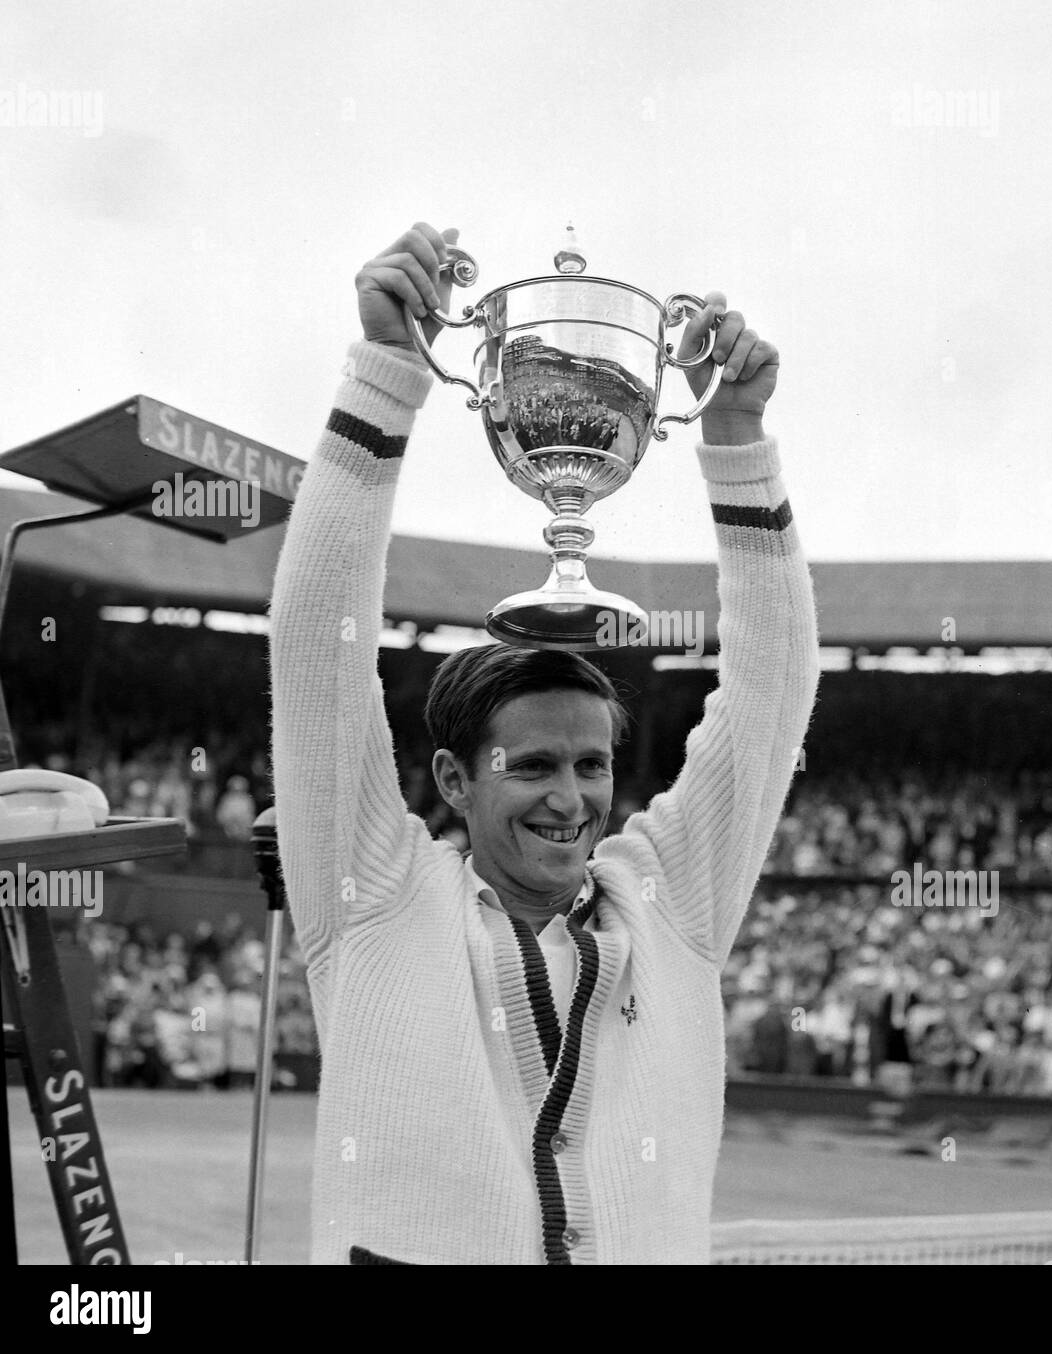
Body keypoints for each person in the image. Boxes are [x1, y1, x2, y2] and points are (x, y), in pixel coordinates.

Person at [269, 222, 820, 1264]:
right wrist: (387, 372)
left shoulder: (671, 899)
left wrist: (737, 439)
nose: (571, 797)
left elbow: (773, 689)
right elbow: (311, 648)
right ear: (451, 779)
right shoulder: (376, 892)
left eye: (591, 763)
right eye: (531, 765)